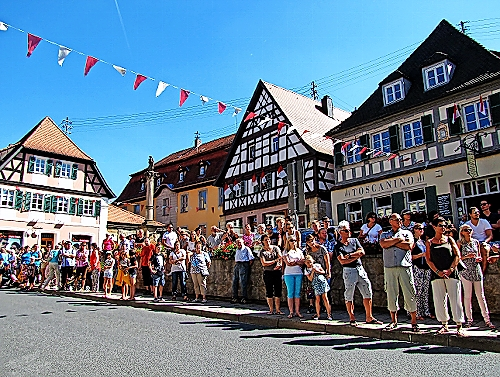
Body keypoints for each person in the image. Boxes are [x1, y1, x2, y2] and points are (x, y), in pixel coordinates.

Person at [335, 221, 381, 326]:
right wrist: (356, 255)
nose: (349, 232)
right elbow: (343, 261)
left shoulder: (354, 241)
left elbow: (362, 252)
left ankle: (369, 316)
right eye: (346, 230)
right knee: (349, 294)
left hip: (359, 268)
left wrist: (350, 255)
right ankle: (352, 317)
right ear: (341, 232)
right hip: (349, 271)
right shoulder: (338, 246)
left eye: (349, 230)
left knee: (367, 291)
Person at [426, 216, 465, 336]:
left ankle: (459, 325)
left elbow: (457, 255)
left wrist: (451, 269)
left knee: (455, 298)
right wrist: (437, 271)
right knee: (439, 299)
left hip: (451, 273)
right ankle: (444, 324)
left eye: (444, 225)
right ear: (434, 227)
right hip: (437, 275)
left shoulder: (449, 239)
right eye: (440, 225)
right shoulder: (430, 242)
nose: (443, 228)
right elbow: (428, 259)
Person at [379, 213, 419, 332]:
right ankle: (393, 321)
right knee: (391, 293)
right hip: (390, 267)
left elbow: (409, 246)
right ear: (390, 221)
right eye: (396, 220)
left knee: (409, 292)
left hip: (405, 266)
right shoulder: (385, 234)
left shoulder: (407, 233)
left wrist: (392, 242)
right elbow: (383, 244)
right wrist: (397, 240)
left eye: (400, 220)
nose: (399, 221)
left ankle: (413, 321)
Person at [457, 224, 495, 329]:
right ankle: (469, 319)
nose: (468, 231)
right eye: (465, 230)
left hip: (476, 269)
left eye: (469, 230)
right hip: (465, 270)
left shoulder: (475, 242)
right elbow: (458, 258)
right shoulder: (460, 243)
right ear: (462, 232)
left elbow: (479, 255)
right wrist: (466, 257)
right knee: (467, 296)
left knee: (481, 296)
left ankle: (487, 319)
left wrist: (478, 259)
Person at [304, 234, 331, 314]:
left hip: (322, 273)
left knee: (325, 293)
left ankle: (328, 310)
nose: (311, 243)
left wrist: (328, 272)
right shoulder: (308, 251)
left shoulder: (322, 248)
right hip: (313, 274)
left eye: (312, 241)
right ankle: (316, 309)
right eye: (309, 242)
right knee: (315, 293)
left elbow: (327, 261)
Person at [411, 223, 432, 320]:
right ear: (414, 229)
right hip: (417, 267)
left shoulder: (423, 242)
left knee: (425, 290)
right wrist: (421, 255)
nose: (421, 230)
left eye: (422, 229)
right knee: (418, 290)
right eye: (419, 228)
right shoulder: (413, 242)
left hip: (426, 267)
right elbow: (410, 257)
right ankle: (417, 312)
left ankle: (426, 311)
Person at [259, 235, 283, 315]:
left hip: (277, 272)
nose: (268, 241)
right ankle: (271, 309)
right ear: (262, 241)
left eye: (268, 239)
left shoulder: (275, 248)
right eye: (266, 240)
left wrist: (279, 264)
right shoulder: (262, 252)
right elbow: (264, 263)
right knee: (269, 291)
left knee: (278, 290)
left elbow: (280, 258)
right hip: (268, 272)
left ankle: (278, 310)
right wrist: (275, 260)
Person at [304, 255, 332, 320]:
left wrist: (317, 270)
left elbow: (323, 272)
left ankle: (329, 314)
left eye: (310, 262)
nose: (310, 264)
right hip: (315, 284)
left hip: (322, 282)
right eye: (308, 262)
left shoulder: (317, 265)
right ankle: (318, 314)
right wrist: (313, 271)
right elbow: (310, 279)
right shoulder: (306, 270)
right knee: (317, 299)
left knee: (325, 298)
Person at [282, 235, 304, 318]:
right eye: (291, 240)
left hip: (298, 273)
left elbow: (303, 261)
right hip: (289, 273)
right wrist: (297, 262)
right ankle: (291, 311)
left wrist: (295, 262)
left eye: (294, 240)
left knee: (297, 293)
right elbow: (288, 263)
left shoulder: (299, 251)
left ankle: (297, 311)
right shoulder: (286, 251)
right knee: (290, 292)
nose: (293, 242)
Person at [465, 206, 493, 272]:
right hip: (473, 243)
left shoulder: (484, 222)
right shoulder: (467, 224)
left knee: (484, 249)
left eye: (478, 212)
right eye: (475, 212)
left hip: (484, 242)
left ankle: (483, 271)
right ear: (470, 214)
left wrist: (485, 242)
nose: (477, 214)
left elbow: (490, 235)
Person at [231, 238, 254, 304]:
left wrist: (247, 266)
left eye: (240, 242)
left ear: (243, 242)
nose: (239, 243)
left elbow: (251, 259)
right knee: (235, 281)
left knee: (243, 281)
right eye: (237, 242)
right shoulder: (237, 249)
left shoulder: (246, 249)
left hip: (244, 264)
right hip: (237, 264)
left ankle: (244, 298)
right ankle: (235, 297)